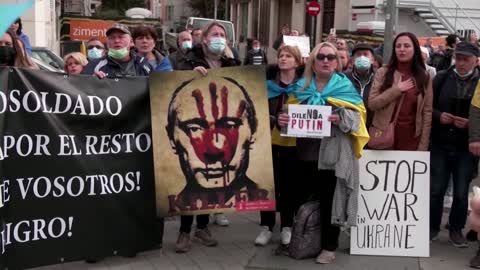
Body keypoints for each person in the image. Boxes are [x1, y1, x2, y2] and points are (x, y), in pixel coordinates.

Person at [278, 42, 368, 264]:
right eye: (321, 57)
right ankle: (304, 240)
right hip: (304, 154)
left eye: (330, 57)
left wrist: (342, 118)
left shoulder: (345, 87)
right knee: (301, 199)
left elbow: (360, 120)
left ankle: (329, 246)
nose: (325, 61)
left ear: (337, 62)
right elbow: (287, 118)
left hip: (332, 154)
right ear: (313, 62)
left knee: (330, 201)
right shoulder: (301, 86)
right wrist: (283, 120)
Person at [174, 22, 241, 253]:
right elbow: (174, 85)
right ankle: (184, 231)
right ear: (204, 39)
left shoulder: (232, 63)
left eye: (222, 35)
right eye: (215, 34)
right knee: (191, 179)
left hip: (221, 129)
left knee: (210, 182)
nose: (219, 38)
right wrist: (189, 76)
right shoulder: (188, 61)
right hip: (195, 129)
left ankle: (202, 227)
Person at [430, 42, 480, 248]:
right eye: (458, 58)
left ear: (476, 61)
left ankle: (456, 229)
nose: (460, 63)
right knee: (436, 189)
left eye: (465, 59)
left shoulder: (479, 82)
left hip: (466, 147)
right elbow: (427, 107)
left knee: (461, 192)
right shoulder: (441, 78)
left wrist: (472, 126)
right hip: (441, 143)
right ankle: (432, 227)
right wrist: (440, 116)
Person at [254, 45, 303, 247]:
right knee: (267, 185)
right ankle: (266, 226)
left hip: (293, 144)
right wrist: (274, 119)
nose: (283, 59)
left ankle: (287, 226)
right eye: (281, 55)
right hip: (268, 142)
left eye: (288, 56)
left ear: (297, 62)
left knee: (289, 185)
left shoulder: (303, 87)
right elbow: (255, 111)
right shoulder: (266, 86)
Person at [368, 32, 433, 151]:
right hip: (384, 136)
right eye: (398, 46)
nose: (401, 49)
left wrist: (423, 146)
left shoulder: (424, 76)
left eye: (407, 46)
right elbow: (372, 104)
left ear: (415, 49)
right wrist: (396, 90)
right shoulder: (383, 72)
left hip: (411, 139)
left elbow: (427, 113)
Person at [82, 23, 152, 78]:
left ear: (131, 42)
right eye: (112, 38)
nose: (116, 40)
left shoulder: (144, 65)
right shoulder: (94, 65)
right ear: (107, 43)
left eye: (121, 37)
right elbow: (80, 91)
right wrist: (91, 81)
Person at [344, 43, 376, 127]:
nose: (362, 57)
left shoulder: (379, 80)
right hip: (349, 127)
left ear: (372, 59)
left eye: (366, 54)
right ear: (352, 60)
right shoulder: (344, 79)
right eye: (358, 55)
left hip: (372, 129)